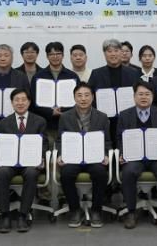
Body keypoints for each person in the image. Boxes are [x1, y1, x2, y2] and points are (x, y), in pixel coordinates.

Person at [118, 80, 157, 229]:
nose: (144, 97)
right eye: (140, 94)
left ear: (152, 96)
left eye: (147, 94)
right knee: (128, 172)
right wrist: (122, 153)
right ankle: (131, 211)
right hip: (134, 157)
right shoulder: (124, 115)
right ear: (134, 96)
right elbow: (119, 138)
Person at [56, 82, 110, 228]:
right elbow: (59, 140)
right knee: (66, 174)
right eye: (79, 95)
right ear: (74, 98)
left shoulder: (102, 117)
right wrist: (60, 155)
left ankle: (96, 210)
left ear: (92, 97)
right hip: (73, 158)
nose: (83, 99)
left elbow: (107, 141)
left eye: (87, 95)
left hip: (94, 158)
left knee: (100, 173)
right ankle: (75, 209)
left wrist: (106, 154)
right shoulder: (65, 117)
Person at [0, 88, 48, 233]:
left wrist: (41, 158)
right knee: (2, 173)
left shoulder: (40, 121)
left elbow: (44, 144)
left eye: (23, 99)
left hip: (30, 162)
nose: (20, 103)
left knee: (31, 173)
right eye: (16, 100)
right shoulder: (4, 122)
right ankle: (5, 215)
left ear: (29, 102)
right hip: (10, 163)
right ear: (12, 103)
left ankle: (23, 215)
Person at [89, 39, 140, 148]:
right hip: (104, 122)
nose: (113, 54)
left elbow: (139, 95)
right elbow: (90, 97)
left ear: (121, 52)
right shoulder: (96, 74)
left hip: (128, 121)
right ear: (104, 54)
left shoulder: (133, 73)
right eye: (109, 51)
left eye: (116, 50)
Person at [31, 42, 79, 139]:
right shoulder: (38, 76)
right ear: (47, 56)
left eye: (58, 53)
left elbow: (78, 99)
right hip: (45, 124)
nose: (55, 57)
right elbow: (33, 100)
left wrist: (62, 111)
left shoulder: (72, 76)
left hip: (68, 124)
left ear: (63, 55)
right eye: (51, 54)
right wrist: (50, 112)